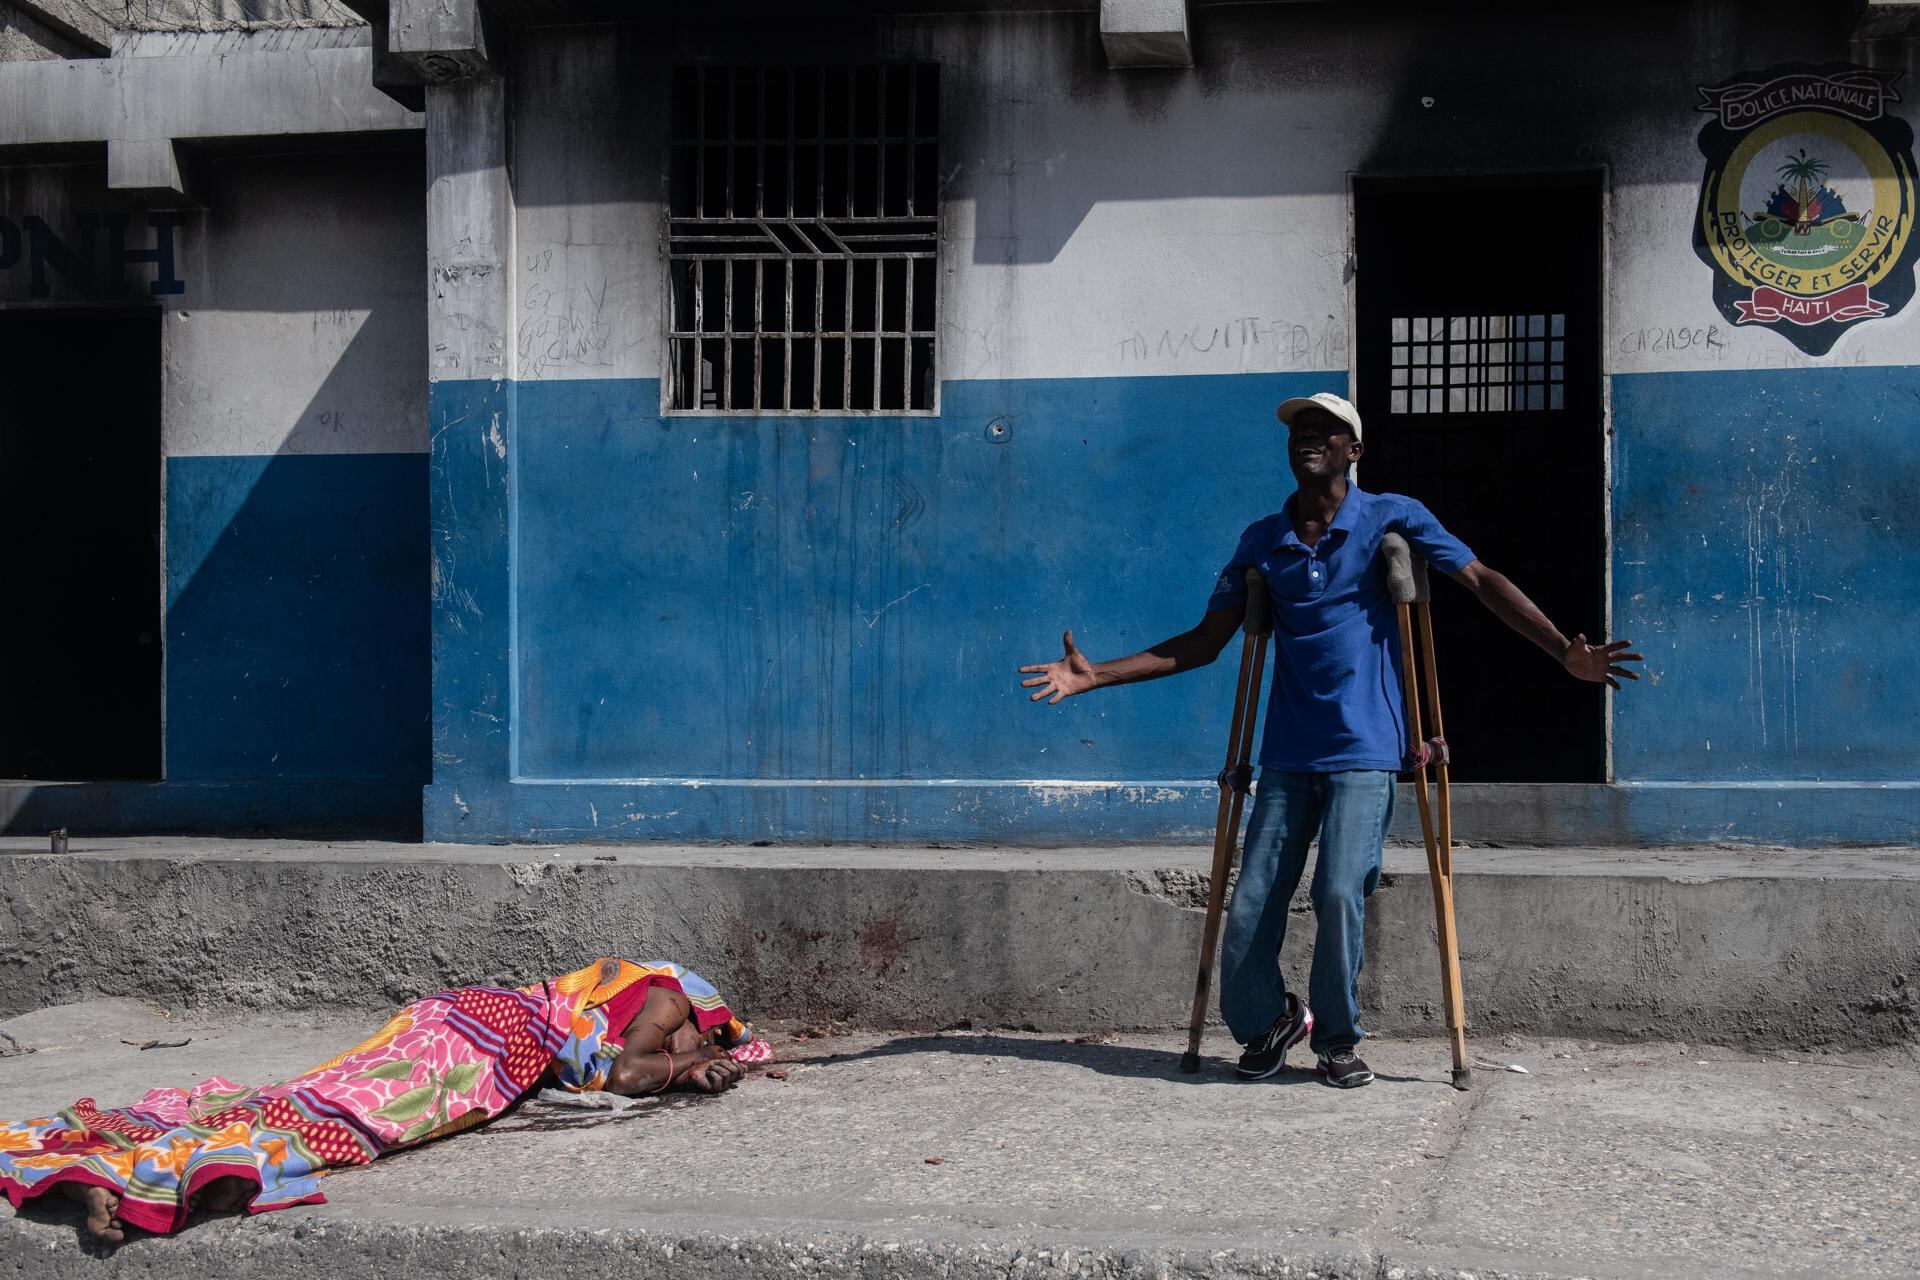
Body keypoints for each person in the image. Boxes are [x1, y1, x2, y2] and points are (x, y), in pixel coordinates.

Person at [1018, 392, 1640, 1088]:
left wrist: (1562, 652)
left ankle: (1338, 1040)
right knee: (1251, 901)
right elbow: (1205, 642)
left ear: (1354, 451)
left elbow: (1480, 580)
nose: (1308, 439)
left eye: (1326, 431)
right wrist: (1095, 675)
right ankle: (1269, 1020)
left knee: (1341, 892)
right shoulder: (1263, 539)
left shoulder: (1391, 517)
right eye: (1299, 433)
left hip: (1367, 750)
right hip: (1287, 752)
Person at [0, 957, 766, 1242]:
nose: (712, 1045)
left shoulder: (622, 993)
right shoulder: (669, 998)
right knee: (370, 1117)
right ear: (706, 1009)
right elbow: (627, 1075)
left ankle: (138, 1159)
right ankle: (177, 1174)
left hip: (457, 1019)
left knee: (319, 1094)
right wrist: (686, 1069)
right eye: (716, 1034)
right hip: (489, 1041)